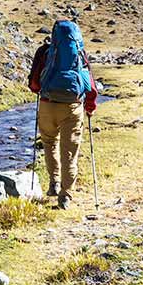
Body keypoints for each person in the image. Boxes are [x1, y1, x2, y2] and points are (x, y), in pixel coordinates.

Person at [27, 20, 98, 208]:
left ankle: (54, 182)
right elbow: (90, 85)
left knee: (49, 143)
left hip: (47, 105)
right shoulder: (80, 54)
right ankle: (65, 195)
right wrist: (89, 107)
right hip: (72, 107)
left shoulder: (44, 52)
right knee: (69, 153)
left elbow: (34, 84)